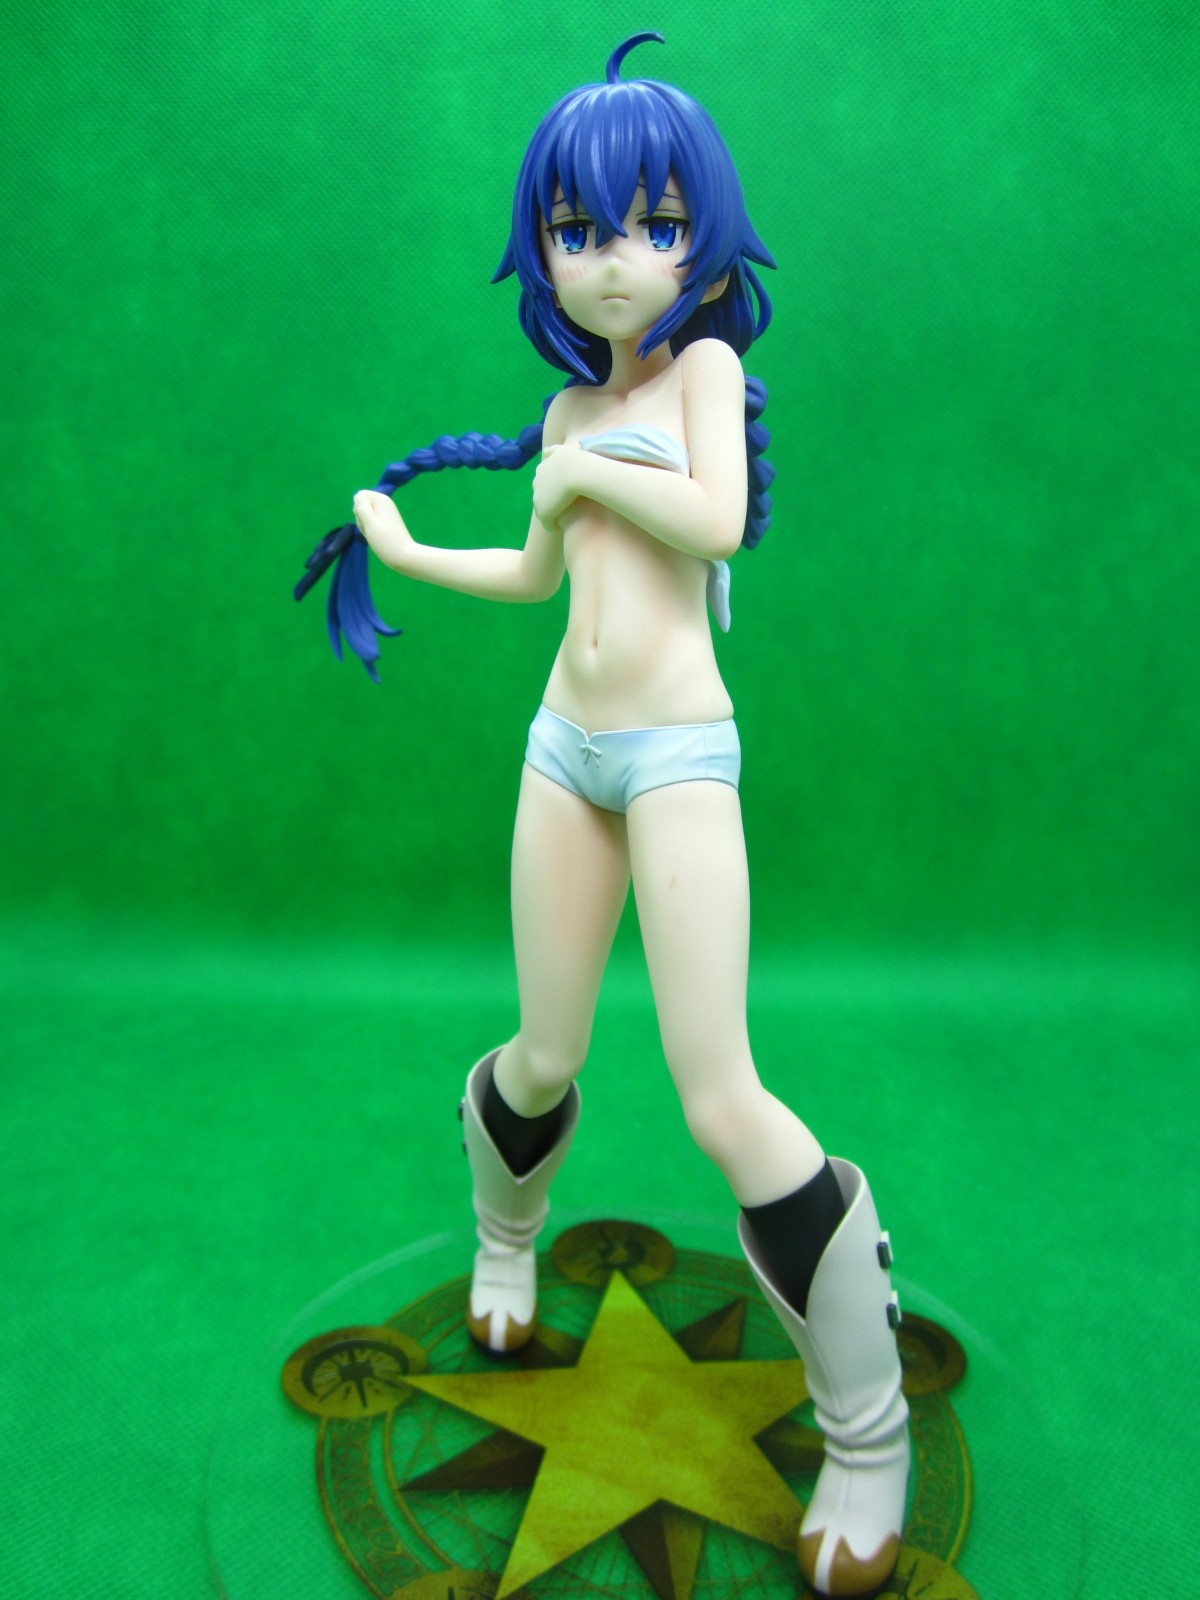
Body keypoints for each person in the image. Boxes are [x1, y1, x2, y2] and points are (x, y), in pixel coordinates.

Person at [298, 34, 909, 1597]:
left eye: (654, 223)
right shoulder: (568, 411)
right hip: (562, 752)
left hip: (679, 756)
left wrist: (585, 483)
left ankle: (869, 1430)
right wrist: (403, 548)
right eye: (578, 230)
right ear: (543, 251)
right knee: (542, 1052)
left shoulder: (700, 376)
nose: (616, 258)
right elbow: (532, 576)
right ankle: (506, 1241)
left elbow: (716, 521)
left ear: (703, 236)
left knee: (722, 1096)